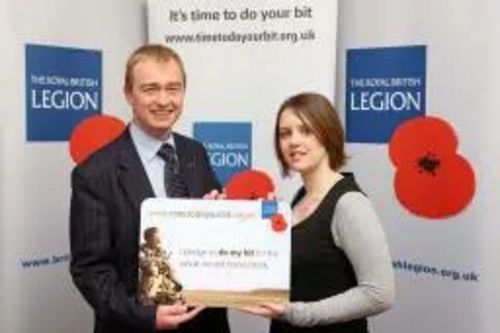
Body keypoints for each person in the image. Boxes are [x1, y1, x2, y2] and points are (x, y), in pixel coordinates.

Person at [69, 44, 230, 333]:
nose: (163, 100)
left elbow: (212, 242)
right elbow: (91, 271)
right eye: (150, 89)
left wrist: (222, 217)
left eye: (173, 88)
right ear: (129, 93)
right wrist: (146, 317)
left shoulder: (196, 153)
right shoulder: (94, 174)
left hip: (206, 323)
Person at [241, 93, 395, 333]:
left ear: (327, 133)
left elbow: (380, 294)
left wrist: (296, 313)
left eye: (306, 130)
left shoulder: (349, 204)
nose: (293, 141)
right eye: (285, 133)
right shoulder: (300, 197)